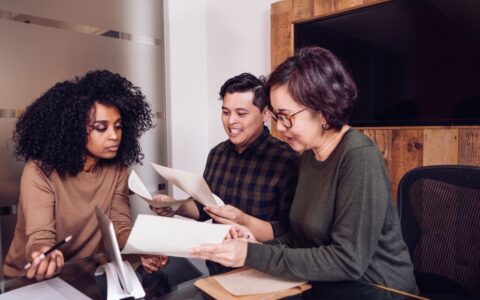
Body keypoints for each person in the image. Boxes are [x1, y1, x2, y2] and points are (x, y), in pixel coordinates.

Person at [190, 47, 418, 294]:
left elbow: (348, 261)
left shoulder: (359, 156)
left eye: (287, 117)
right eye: (277, 117)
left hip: (379, 289)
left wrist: (252, 255)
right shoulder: (308, 156)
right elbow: (300, 240)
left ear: (323, 110)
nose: (281, 128)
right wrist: (254, 244)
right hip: (327, 287)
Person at [3, 70, 166, 280]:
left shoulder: (117, 169)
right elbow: (40, 236)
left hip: (84, 274)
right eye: (101, 128)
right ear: (74, 129)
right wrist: (45, 254)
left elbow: (119, 228)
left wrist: (142, 247)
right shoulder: (39, 170)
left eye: (118, 126)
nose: (114, 136)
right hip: (27, 280)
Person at [151, 73, 299, 274]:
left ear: (265, 114)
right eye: (226, 112)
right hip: (217, 268)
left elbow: (290, 232)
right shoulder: (217, 153)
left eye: (241, 113)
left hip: (262, 271)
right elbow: (204, 207)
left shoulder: (287, 160)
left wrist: (243, 220)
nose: (231, 121)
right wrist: (173, 207)